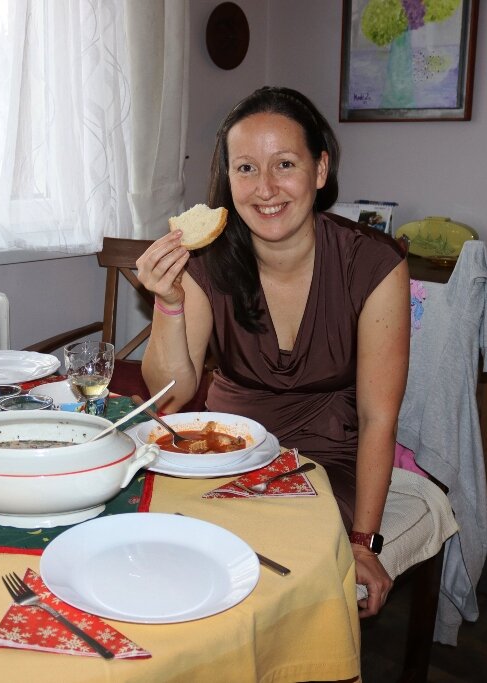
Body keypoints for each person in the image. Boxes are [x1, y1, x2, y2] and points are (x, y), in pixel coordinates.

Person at [136, 86, 409, 617]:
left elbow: (379, 417)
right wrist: (168, 303)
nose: (265, 189)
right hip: (221, 452)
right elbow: (169, 399)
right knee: (166, 554)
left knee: (265, 551)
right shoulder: (205, 259)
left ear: (320, 169)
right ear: (228, 178)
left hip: (324, 461)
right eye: (246, 168)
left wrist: (363, 543)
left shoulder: (373, 264)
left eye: (285, 164)